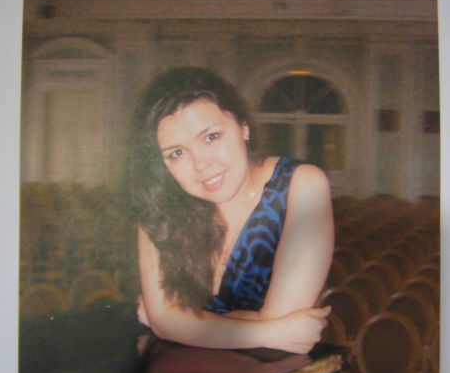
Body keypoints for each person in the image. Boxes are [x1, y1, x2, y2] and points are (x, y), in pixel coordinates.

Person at [130, 66, 333, 354]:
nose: (201, 164)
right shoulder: (160, 205)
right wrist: (268, 329)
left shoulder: (301, 185)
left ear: (243, 127)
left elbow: (281, 335)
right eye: (177, 153)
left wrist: (179, 323)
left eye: (211, 137)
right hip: (177, 370)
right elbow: (282, 330)